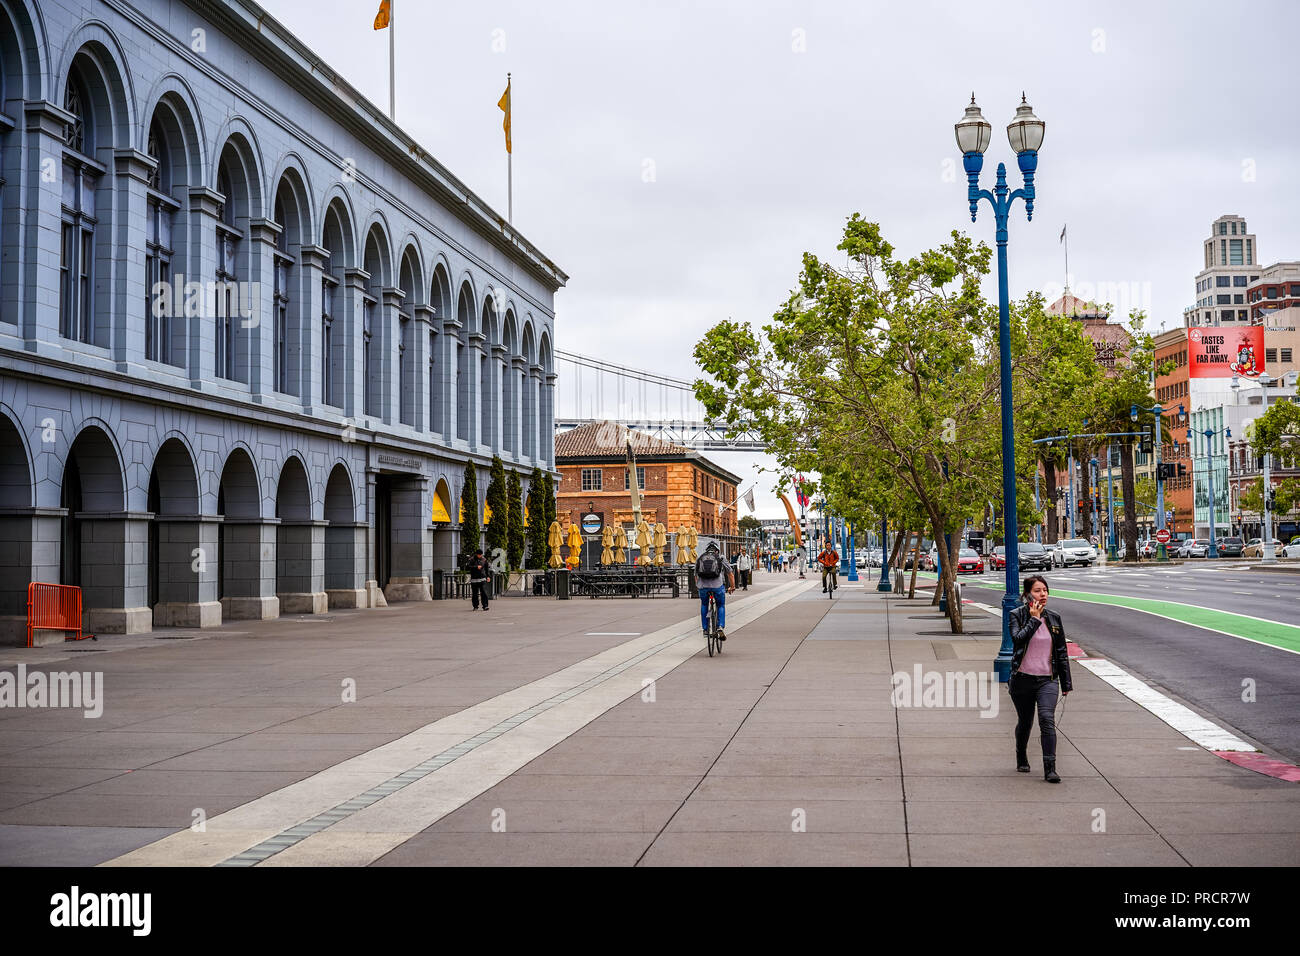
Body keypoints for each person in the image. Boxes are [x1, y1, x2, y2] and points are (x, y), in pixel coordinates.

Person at [1008, 575, 1073, 782]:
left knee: (1046, 719)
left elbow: (1061, 651)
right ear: (1028, 594)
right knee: (1025, 722)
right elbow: (1018, 640)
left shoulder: (1054, 618)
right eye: (1037, 591)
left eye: (1045, 590)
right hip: (1022, 679)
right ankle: (1021, 754)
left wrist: (1066, 682)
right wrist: (1035, 619)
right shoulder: (1016, 615)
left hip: (1048, 679)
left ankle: (1050, 768)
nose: (1042, 594)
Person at [695, 542, 735, 641]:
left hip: (703, 587)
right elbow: (730, 573)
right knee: (720, 605)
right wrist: (732, 586)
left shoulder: (700, 558)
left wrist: (699, 586)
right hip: (717, 586)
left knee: (704, 605)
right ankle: (720, 626)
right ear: (717, 550)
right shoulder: (721, 558)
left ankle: (705, 629)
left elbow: (695, 575)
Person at [465, 547, 491, 611]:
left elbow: (486, 569)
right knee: (475, 594)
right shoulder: (471, 559)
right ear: (476, 554)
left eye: (481, 555)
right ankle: (475, 606)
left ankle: (485, 606)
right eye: (479, 555)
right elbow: (468, 567)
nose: (480, 556)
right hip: (474, 579)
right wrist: (476, 567)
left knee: (484, 593)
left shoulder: (484, 559)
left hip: (482, 579)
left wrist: (488, 576)